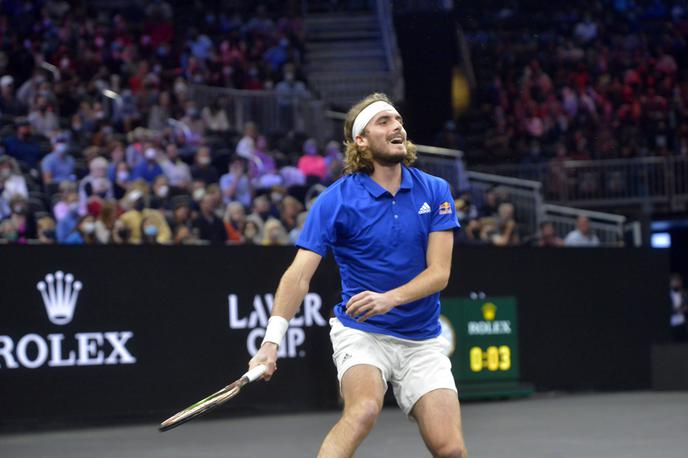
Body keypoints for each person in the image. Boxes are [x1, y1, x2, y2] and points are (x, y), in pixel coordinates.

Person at [247, 93, 466, 457]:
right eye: (383, 121)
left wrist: (389, 298)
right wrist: (270, 343)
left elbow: (440, 273)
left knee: (451, 450)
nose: (397, 126)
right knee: (363, 411)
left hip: (422, 339)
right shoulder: (335, 200)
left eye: (397, 119)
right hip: (362, 333)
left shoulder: (435, 190)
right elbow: (299, 276)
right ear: (361, 140)